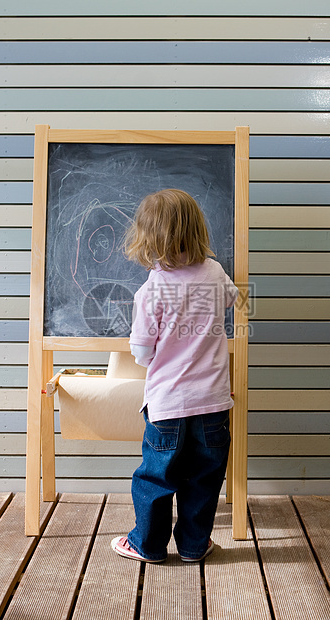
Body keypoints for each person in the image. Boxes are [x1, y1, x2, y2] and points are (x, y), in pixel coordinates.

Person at [111, 189, 238, 563]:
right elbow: (233, 298)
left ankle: (147, 545)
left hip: (168, 405)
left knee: (157, 478)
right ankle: (194, 546)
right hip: (214, 403)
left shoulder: (152, 289)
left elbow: (142, 351)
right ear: (198, 230)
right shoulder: (214, 272)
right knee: (204, 477)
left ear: (147, 237)